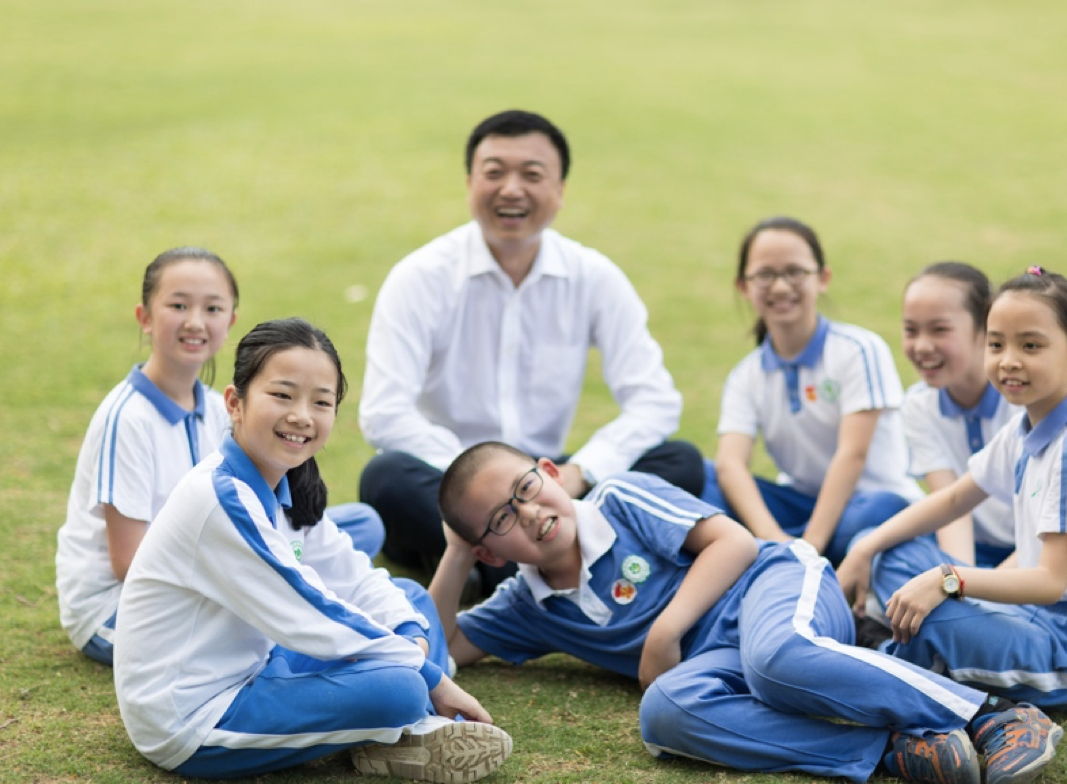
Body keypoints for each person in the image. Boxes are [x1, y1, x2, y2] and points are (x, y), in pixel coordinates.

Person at [429, 440, 1063, 784]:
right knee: (663, 712)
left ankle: (993, 716)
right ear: (490, 552)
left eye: (527, 489)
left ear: (549, 472)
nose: (530, 514)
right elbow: (442, 649)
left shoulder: (619, 499)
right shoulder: (527, 604)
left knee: (775, 657)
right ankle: (895, 751)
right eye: (501, 519)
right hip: (720, 662)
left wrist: (665, 631)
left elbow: (732, 542)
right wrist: (456, 554)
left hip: (773, 582)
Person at [114, 318, 512, 781]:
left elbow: (352, 578)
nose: (302, 415)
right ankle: (412, 723)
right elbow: (308, 613)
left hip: (262, 662)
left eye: (321, 402)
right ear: (235, 402)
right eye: (282, 395)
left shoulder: (287, 483)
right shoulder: (220, 498)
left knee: (410, 600)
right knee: (401, 688)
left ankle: (404, 732)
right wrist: (427, 673)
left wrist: (409, 639)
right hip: (195, 714)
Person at [358, 109, 703, 594]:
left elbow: (655, 402)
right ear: (469, 183)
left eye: (532, 175)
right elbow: (384, 413)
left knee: (679, 462)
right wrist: (480, 480)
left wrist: (580, 472)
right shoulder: (419, 278)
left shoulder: (594, 277)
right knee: (386, 478)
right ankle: (572, 562)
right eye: (494, 173)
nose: (511, 190)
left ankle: (493, 568)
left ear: (560, 189)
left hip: (551, 479)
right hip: (452, 473)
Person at [55, 248, 382, 666]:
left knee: (360, 525)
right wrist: (247, 581)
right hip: (127, 606)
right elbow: (127, 563)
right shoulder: (127, 418)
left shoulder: (218, 406)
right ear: (145, 317)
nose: (195, 322)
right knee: (278, 622)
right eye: (178, 305)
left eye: (212, 308)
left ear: (229, 322)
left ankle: (297, 599)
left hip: (215, 563)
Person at [837, 267, 1067, 711]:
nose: (1009, 361)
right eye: (997, 344)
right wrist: (866, 548)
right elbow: (953, 499)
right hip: (1025, 615)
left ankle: (881, 656)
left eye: (1031, 346)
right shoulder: (1025, 426)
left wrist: (948, 580)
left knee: (934, 615)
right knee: (892, 553)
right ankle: (898, 639)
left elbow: (1050, 582)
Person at [700, 217, 922, 565]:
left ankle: (786, 558)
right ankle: (772, 551)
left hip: (864, 504)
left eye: (795, 272)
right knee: (703, 479)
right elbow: (731, 464)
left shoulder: (859, 350)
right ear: (743, 285)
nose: (780, 287)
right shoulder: (745, 376)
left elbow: (852, 454)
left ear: (823, 278)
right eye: (764, 275)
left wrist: (811, 544)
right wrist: (775, 538)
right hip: (799, 504)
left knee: (871, 514)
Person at [901, 261, 1023, 567]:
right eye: (911, 330)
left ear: (985, 328)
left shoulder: (1025, 401)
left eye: (939, 330)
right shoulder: (918, 404)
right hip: (974, 552)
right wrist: (960, 582)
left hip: (1037, 552)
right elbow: (951, 507)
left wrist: (984, 586)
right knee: (880, 547)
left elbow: (1051, 532)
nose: (922, 346)